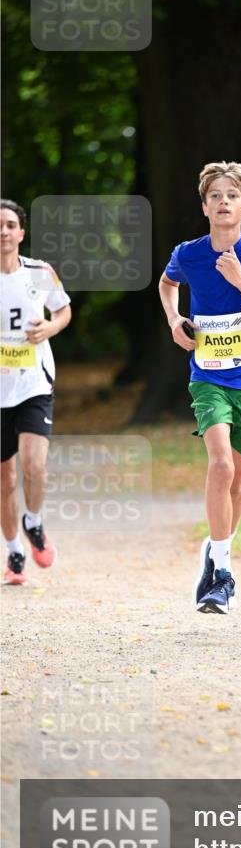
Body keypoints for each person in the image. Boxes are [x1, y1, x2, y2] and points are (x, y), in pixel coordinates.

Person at [159, 161, 241, 614]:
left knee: (240, 478)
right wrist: (175, 319)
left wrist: (240, 281)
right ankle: (223, 572)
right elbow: (167, 282)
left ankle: (214, 553)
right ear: (204, 206)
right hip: (208, 376)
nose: (223, 202)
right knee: (220, 468)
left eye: (231, 195)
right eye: (215, 195)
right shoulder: (190, 253)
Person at [1, 199, 72, 584]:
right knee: (5, 478)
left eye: (10, 225)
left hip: (33, 384)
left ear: (21, 233)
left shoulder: (39, 272)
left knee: (34, 465)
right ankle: (14, 554)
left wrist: (50, 328)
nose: (4, 232)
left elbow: (63, 310)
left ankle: (35, 521)